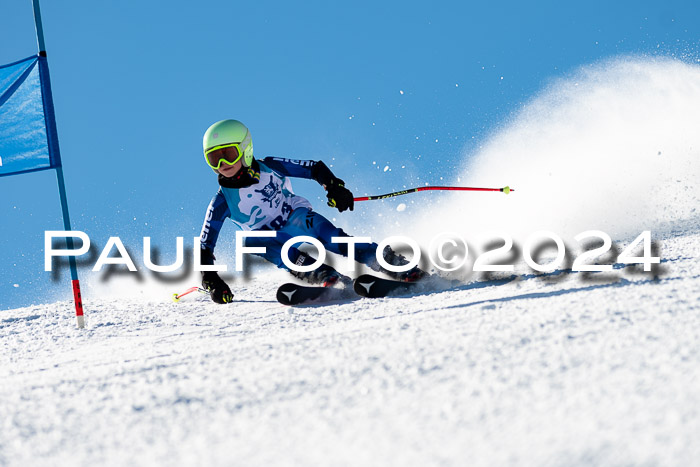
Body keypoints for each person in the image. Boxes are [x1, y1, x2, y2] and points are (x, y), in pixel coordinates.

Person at [198, 119, 423, 304]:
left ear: (245, 149)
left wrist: (334, 187)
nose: (223, 163)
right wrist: (211, 280)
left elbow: (313, 168)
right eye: (214, 158)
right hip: (273, 239)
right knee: (252, 243)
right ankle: (325, 275)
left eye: (229, 153)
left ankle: (392, 263)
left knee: (332, 238)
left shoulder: (270, 166)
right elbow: (205, 247)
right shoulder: (221, 202)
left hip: (296, 218)